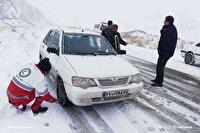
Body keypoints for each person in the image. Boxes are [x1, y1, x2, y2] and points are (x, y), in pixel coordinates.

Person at [151, 16, 178, 87]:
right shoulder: (168, 28)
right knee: (159, 66)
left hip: (166, 52)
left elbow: (167, 43)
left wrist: (163, 51)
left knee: (160, 67)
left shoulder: (171, 30)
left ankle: (159, 82)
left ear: (168, 22)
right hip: (164, 52)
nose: (164, 21)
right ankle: (157, 79)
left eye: (165, 20)